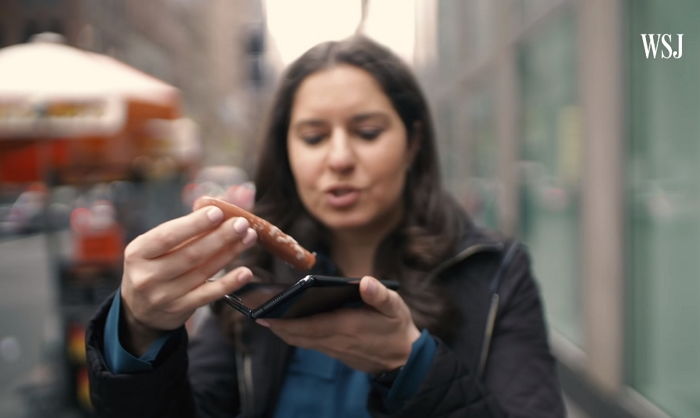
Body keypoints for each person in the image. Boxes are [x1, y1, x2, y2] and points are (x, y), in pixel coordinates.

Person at [86, 36, 565, 417]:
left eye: (368, 132)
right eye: (313, 137)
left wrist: (413, 364)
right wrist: (139, 333)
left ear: (413, 141)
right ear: (286, 151)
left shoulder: (495, 272)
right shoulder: (252, 278)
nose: (339, 158)